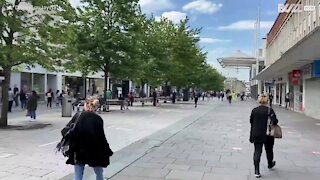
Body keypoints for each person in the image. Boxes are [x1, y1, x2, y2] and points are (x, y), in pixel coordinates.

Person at [65, 97, 113, 180]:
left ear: (85, 105)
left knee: (78, 174)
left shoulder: (78, 116)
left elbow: (68, 131)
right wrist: (106, 149)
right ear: (96, 107)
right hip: (94, 150)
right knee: (99, 172)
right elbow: (101, 137)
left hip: (79, 149)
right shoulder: (98, 119)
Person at [250, 94, 278, 178]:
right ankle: (270, 163)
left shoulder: (254, 110)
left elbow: (251, 121)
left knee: (257, 151)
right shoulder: (270, 110)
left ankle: (257, 171)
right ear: (267, 101)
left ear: (259, 100)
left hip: (257, 133)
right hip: (268, 134)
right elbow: (275, 121)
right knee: (269, 150)